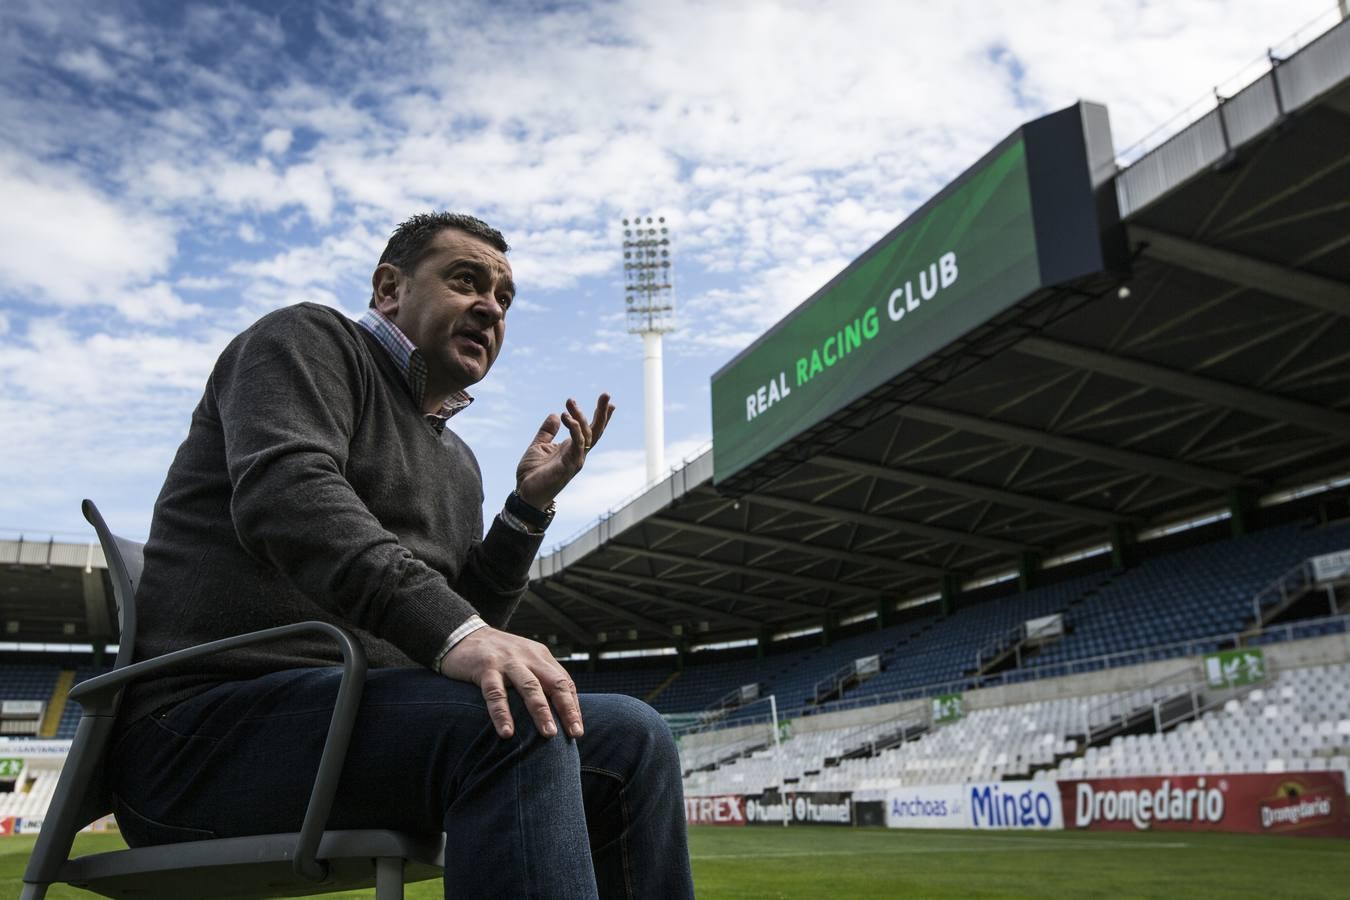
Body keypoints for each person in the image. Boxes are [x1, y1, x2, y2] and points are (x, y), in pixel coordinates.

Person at [108, 212, 695, 899]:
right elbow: (288, 498)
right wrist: (461, 634)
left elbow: (457, 618)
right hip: (199, 737)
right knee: (509, 722)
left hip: (355, 719)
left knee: (636, 739)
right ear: (389, 288)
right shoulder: (305, 340)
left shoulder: (460, 461)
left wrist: (525, 511)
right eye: (466, 280)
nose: (491, 307)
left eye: (505, 298)